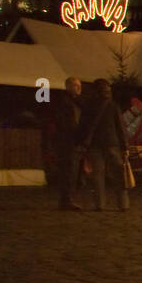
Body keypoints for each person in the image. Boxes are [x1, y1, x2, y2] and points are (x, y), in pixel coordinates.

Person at [81, 78, 129, 212]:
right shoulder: (113, 106)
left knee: (97, 176)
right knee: (119, 174)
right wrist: (125, 146)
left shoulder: (88, 106)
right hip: (112, 143)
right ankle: (123, 204)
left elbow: (83, 126)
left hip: (95, 145)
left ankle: (100, 204)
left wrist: (83, 142)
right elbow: (121, 127)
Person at [53, 76, 85, 210]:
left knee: (73, 172)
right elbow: (66, 123)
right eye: (76, 86)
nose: (79, 88)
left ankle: (68, 199)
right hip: (68, 142)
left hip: (73, 141)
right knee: (69, 172)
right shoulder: (65, 102)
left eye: (79, 86)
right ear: (68, 87)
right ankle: (67, 200)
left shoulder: (74, 102)